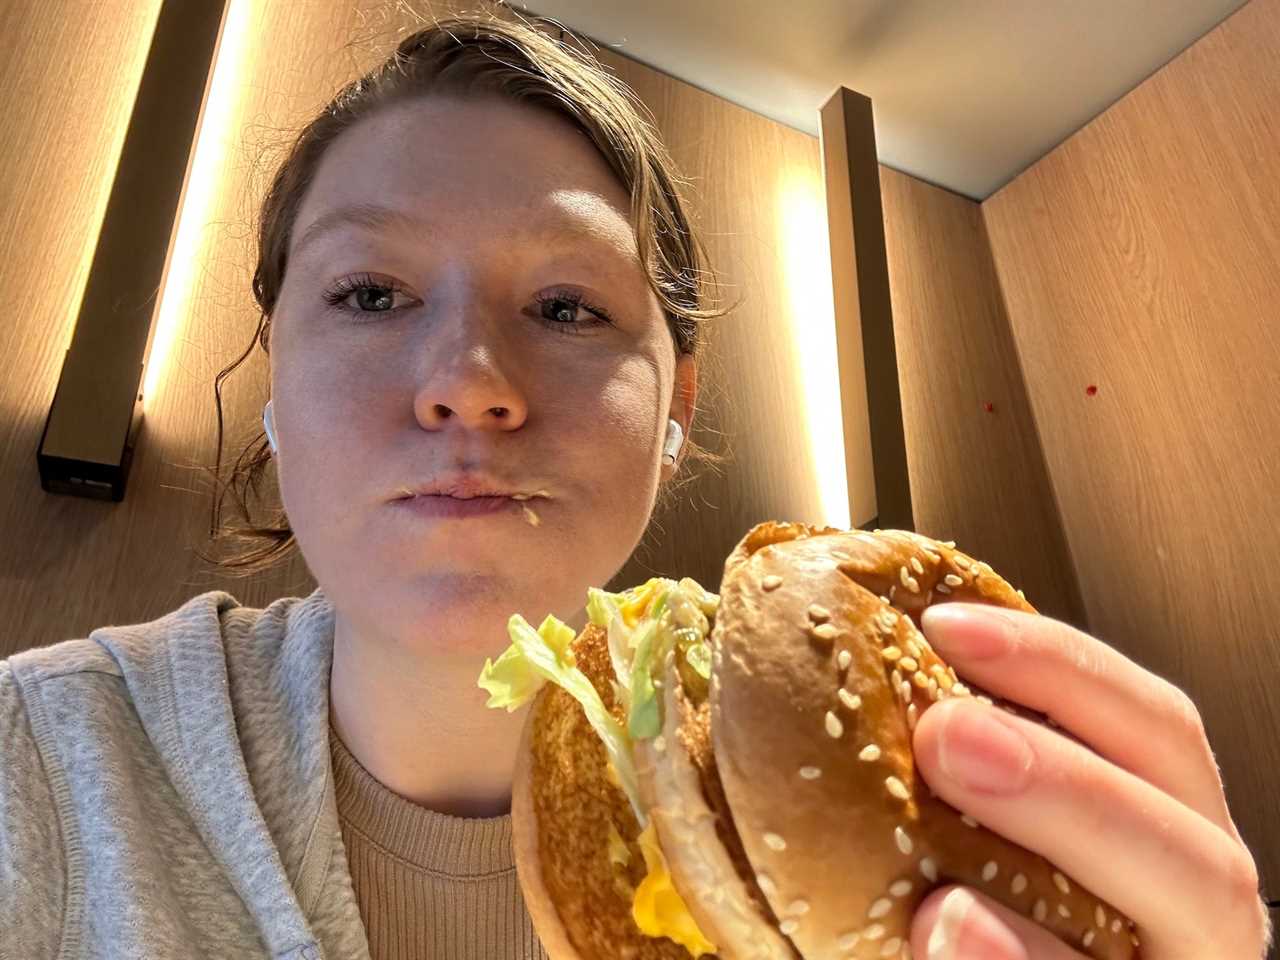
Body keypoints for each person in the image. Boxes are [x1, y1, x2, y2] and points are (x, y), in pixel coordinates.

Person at [1, 7, 1270, 960]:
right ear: (272, 375)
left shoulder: (920, 862)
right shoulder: (43, 763)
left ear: (677, 410)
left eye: (565, 305)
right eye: (370, 292)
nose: (468, 383)